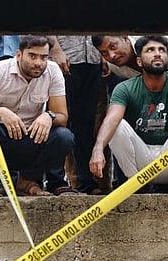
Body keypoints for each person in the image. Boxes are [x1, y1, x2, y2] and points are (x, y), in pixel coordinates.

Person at [0, 35, 76, 197]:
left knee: (64, 136)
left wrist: (48, 116)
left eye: (43, 57)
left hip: (30, 138)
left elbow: (62, 116)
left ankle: (27, 180)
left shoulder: (53, 71)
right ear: (18, 55)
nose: (38, 62)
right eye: (32, 56)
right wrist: (0, 112)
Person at [88, 36, 168, 194]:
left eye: (162, 50)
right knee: (116, 126)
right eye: (150, 50)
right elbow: (111, 118)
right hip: (141, 163)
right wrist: (97, 150)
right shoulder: (124, 88)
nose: (157, 54)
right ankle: (135, 183)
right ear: (139, 62)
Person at [47, 36, 107, 195]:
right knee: (58, 121)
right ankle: (55, 181)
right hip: (64, 59)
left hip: (92, 60)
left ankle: (85, 181)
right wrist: (55, 48)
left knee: (86, 125)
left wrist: (102, 52)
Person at [91, 34, 168, 80]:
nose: (112, 56)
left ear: (125, 38)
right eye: (104, 53)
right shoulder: (114, 66)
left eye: (113, 47)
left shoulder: (150, 36)